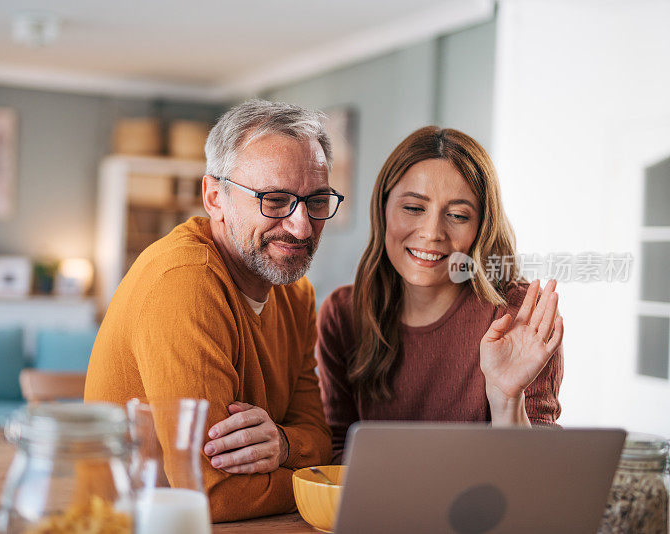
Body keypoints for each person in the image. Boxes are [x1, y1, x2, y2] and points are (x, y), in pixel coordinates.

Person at [85, 100, 341, 521]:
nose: (301, 226)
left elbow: (316, 434)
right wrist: (322, 482)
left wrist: (284, 443)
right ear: (214, 197)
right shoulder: (185, 280)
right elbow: (212, 494)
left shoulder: (297, 293)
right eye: (274, 201)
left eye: (317, 201)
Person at [316, 126, 564, 463]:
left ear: (481, 227)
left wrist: (508, 400)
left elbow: (538, 478)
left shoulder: (517, 317)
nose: (432, 233)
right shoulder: (343, 314)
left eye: (458, 215)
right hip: (375, 513)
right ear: (383, 207)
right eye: (414, 208)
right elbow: (333, 456)